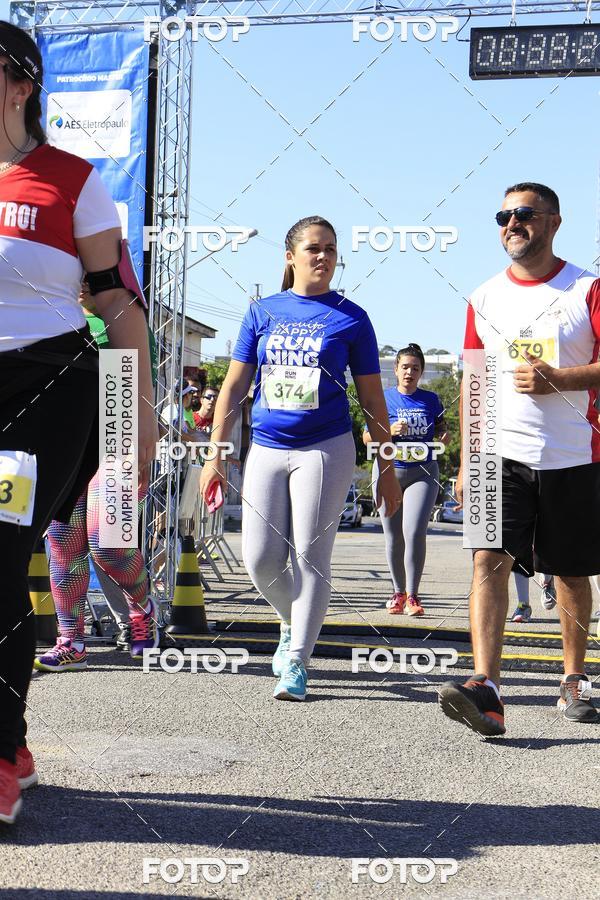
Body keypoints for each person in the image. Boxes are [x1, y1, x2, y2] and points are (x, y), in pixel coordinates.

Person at [0, 21, 158, 824]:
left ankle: (0, 752)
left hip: (46, 384)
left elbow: (117, 305)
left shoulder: (70, 181)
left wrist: (140, 426)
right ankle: (15, 744)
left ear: (19, 83)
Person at [199, 215, 401, 701]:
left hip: (325, 448)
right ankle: (291, 621)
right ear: (290, 256)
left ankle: (297, 661)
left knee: (311, 556)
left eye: (331, 249)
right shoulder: (262, 312)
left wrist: (387, 469)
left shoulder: (352, 317)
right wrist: (215, 457)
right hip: (267, 447)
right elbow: (233, 388)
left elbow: (374, 401)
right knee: (261, 559)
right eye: (314, 248)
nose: (324, 257)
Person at [440, 182, 600, 736]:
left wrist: (563, 379)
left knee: (570, 573)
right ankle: (486, 687)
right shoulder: (483, 296)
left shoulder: (587, 288)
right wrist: (465, 460)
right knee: (488, 561)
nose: (512, 223)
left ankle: (573, 681)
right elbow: (473, 381)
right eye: (504, 214)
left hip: (573, 454)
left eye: (524, 214)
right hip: (495, 454)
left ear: (554, 221)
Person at [34, 289, 160, 672]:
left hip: (117, 427)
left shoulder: (123, 317)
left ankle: (143, 606)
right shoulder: (48, 315)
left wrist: (142, 436)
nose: (84, 281)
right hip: (64, 430)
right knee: (63, 544)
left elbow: (135, 384)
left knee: (109, 546)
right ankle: (71, 641)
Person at [363, 343, 448, 616]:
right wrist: (389, 430)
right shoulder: (383, 398)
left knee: (414, 532)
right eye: (405, 367)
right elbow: (366, 437)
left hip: (422, 471)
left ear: (421, 372)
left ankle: (413, 596)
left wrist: (441, 438)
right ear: (396, 370)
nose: (410, 372)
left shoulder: (431, 400)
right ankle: (398, 593)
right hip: (389, 470)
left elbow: (444, 432)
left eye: (415, 368)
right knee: (393, 535)